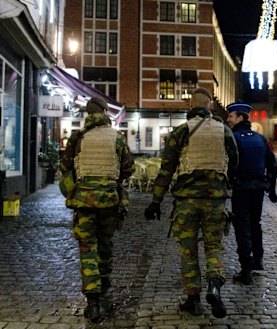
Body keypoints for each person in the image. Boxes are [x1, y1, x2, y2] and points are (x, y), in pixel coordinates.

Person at [144, 87, 238, 318]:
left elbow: (166, 170)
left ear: (190, 106)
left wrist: (155, 201)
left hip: (186, 202)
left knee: (188, 250)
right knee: (214, 246)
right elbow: (235, 162)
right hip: (215, 201)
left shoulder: (181, 132)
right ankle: (214, 286)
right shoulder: (224, 131)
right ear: (210, 106)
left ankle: (193, 299)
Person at [59, 96, 133, 322]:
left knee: (87, 247)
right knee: (106, 242)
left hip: (83, 201)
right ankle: (105, 282)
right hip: (109, 200)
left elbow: (64, 167)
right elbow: (128, 169)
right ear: (104, 112)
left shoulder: (78, 137)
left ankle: (92, 301)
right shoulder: (117, 139)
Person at [225, 102, 277, 285]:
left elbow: (228, 165)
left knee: (242, 228)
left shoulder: (232, 138)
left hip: (241, 190)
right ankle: (258, 260)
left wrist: (228, 184)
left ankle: (246, 271)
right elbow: (273, 166)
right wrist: (272, 190)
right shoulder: (260, 139)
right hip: (258, 190)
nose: (228, 119)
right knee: (256, 224)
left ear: (240, 117)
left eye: (231, 116)